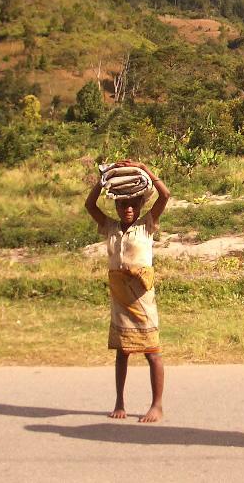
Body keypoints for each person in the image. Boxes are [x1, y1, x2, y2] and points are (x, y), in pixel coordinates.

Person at [84, 159, 170, 423]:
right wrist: (104, 179)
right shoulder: (110, 227)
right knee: (123, 351)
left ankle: (157, 405)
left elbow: (165, 195)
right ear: (117, 206)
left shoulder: (147, 225)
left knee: (152, 351)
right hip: (120, 296)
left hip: (142, 298)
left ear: (141, 204)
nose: (128, 209)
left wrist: (144, 169)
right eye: (123, 204)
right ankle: (119, 401)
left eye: (133, 204)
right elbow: (90, 205)